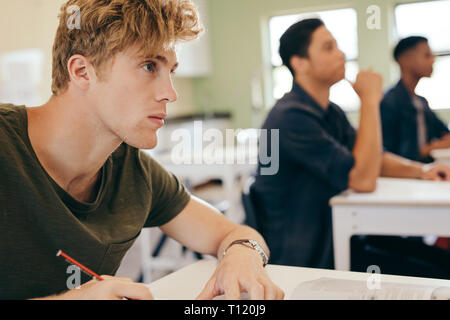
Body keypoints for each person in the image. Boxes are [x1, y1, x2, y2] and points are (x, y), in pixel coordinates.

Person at [0, 0, 284, 300]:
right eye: (149, 66)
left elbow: (235, 234)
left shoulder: (134, 172)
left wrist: (242, 257)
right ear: (82, 72)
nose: (170, 94)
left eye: (171, 70)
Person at [252, 18, 450, 271]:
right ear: (299, 63)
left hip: (341, 234)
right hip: (309, 255)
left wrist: (422, 171)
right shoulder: (289, 117)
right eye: (328, 48)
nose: (341, 54)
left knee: (441, 261)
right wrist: (369, 100)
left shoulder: (329, 111)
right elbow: (363, 179)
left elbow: (371, 158)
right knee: (435, 272)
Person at [381, 36, 450, 163]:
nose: (433, 60)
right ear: (405, 60)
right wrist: (428, 149)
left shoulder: (421, 102)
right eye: (427, 55)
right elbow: (385, 152)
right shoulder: (388, 102)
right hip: (403, 174)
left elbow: (444, 133)